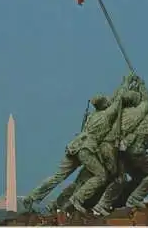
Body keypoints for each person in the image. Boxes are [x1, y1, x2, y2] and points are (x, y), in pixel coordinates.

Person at [22, 73, 136, 213]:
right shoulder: (106, 116)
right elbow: (118, 100)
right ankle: (76, 199)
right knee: (101, 176)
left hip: (74, 146)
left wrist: (125, 83)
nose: (108, 101)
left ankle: (31, 197)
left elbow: (114, 99)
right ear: (104, 104)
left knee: (58, 176)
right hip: (86, 149)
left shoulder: (92, 116)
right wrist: (127, 82)